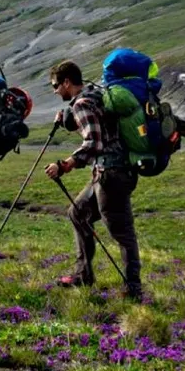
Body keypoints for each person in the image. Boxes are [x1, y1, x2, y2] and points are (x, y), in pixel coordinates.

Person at [44, 60, 142, 300]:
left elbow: (93, 143)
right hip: (113, 172)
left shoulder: (83, 103)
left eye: (56, 85)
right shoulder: (95, 95)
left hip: (111, 175)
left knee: (122, 233)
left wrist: (64, 165)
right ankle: (83, 275)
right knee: (77, 213)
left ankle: (133, 290)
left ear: (67, 82)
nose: (56, 91)